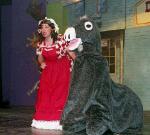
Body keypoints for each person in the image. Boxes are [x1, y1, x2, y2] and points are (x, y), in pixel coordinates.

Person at [31, 17, 75, 130]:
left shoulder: (60, 40)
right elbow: (40, 57)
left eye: (47, 27)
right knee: (45, 95)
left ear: (52, 29)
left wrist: (80, 61)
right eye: (42, 27)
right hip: (48, 72)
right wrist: (41, 63)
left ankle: (59, 121)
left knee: (59, 96)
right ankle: (44, 121)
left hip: (61, 71)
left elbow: (70, 52)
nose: (44, 29)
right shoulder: (40, 44)